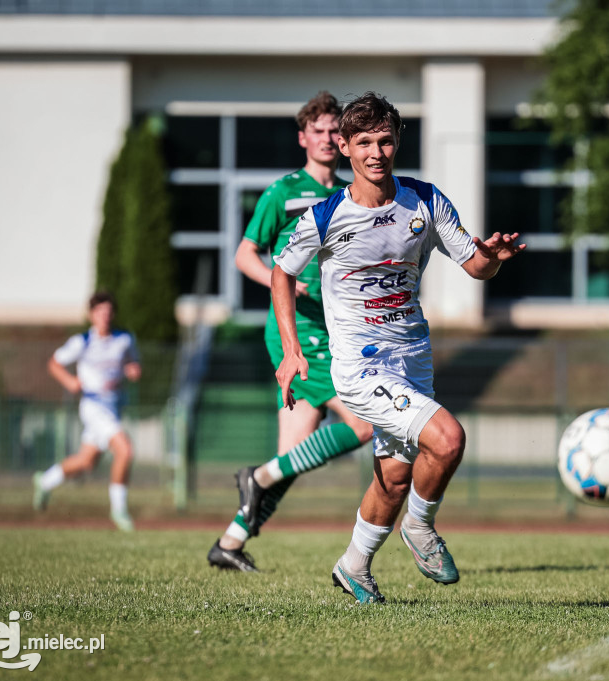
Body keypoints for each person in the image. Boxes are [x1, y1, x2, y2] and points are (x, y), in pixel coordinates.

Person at [271, 92, 525, 603]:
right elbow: (282, 272)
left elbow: (474, 265)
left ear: (397, 141)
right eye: (363, 142)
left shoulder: (425, 201)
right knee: (448, 439)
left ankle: (354, 565)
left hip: (413, 360)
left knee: (395, 476)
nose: (376, 152)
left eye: (385, 140)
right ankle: (421, 527)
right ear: (343, 146)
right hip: (360, 369)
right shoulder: (323, 217)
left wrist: (492, 258)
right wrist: (292, 349)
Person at [207, 91, 374, 572]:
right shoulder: (282, 192)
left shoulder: (351, 194)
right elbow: (245, 255)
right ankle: (256, 479)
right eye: (318, 131)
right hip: (296, 335)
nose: (326, 138)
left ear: (344, 141)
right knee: (363, 423)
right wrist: (288, 283)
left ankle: (230, 543)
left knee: (290, 459)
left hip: (336, 332)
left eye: (334, 131)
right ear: (304, 138)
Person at [33, 291, 141, 531]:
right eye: (99, 311)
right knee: (125, 451)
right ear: (92, 315)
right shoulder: (82, 341)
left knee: (86, 462)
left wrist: (133, 370)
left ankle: (45, 481)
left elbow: (133, 364)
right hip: (93, 407)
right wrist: (70, 381)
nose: (104, 316)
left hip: (113, 407)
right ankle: (119, 510)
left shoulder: (124, 339)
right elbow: (54, 363)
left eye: (108, 311)